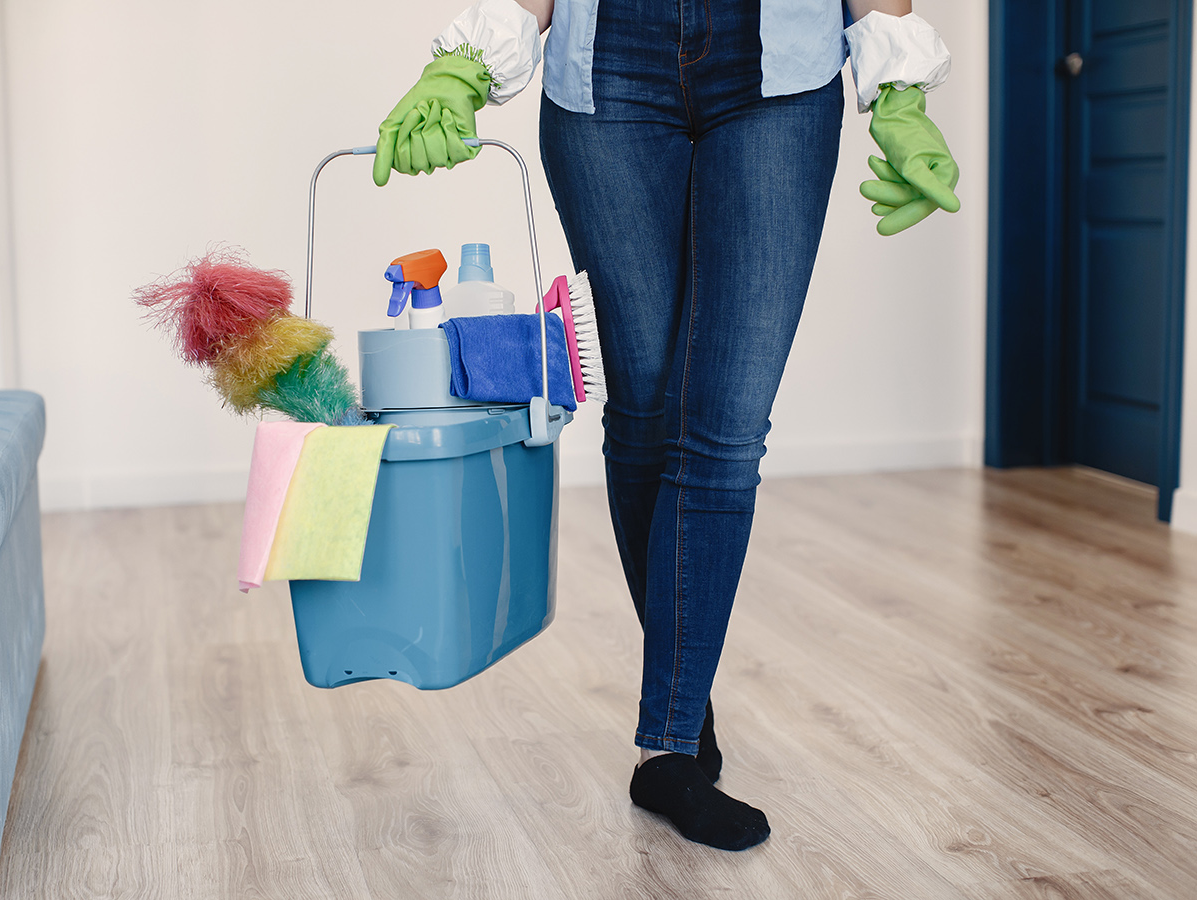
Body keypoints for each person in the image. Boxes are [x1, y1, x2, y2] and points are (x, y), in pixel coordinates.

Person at [373, 0, 958, 851]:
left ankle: (667, 745)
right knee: (646, 412)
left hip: (779, 78)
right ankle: (685, 687)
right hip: (608, 71)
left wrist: (900, 90)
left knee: (723, 423)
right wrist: (468, 62)